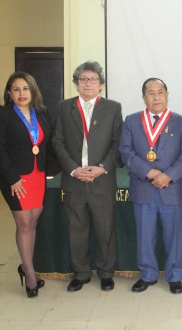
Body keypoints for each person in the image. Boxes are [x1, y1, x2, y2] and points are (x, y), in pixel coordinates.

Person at [52, 61, 123, 292]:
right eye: (83, 79)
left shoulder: (112, 108)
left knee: (105, 230)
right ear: (76, 83)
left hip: (102, 180)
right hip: (74, 180)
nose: (88, 83)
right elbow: (57, 142)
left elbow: (118, 144)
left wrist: (102, 167)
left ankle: (106, 273)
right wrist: (73, 169)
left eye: (93, 79)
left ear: (101, 84)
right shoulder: (64, 107)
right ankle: (80, 273)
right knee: (77, 230)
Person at [119, 78, 182, 294]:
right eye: (151, 93)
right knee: (144, 236)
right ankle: (147, 275)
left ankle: (175, 276)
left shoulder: (181, 122)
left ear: (167, 95)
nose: (156, 97)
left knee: (174, 236)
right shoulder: (131, 121)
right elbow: (125, 151)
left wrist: (168, 175)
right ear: (144, 97)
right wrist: (150, 173)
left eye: (160, 92)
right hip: (143, 187)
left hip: (172, 188)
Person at [0, 72, 51, 298]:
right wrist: (13, 177)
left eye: (25, 88)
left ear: (32, 91)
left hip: (38, 175)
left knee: (33, 221)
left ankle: (26, 266)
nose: (21, 93)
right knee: (24, 222)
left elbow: (47, 145)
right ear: (9, 93)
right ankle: (30, 273)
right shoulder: (3, 114)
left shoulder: (41, 113)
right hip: (16, 178)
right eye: (16, 89)